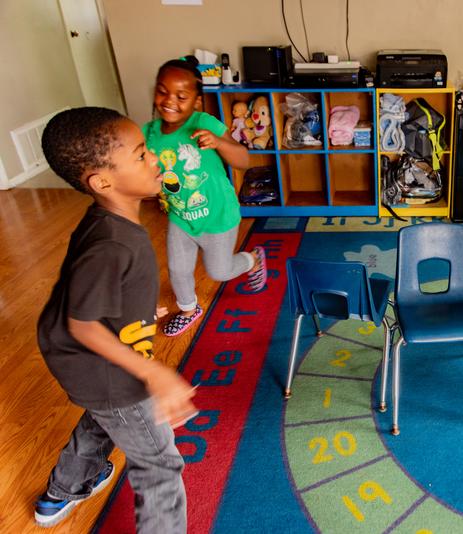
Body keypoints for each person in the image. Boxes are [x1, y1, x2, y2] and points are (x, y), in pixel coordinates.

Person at [35, 107, 197, 531]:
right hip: (102, 365)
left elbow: (101, 295)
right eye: (142, 155)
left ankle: (61, 494)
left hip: (93, 366)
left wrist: (142, 312)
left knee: (103, 419)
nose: (156, 159)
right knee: (160, 463)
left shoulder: (114, 225)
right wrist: (153, 373)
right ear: (102, 181)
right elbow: (83, 323)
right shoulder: (111, 243)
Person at [143, 55, 266, 336]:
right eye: (162, 91)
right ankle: (189, 308)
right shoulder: (148, 133)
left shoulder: (204, 122)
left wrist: (219, 142)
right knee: (177, 269)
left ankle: (252, 260)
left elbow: (244, 159)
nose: (169, 100)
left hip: (218, 216)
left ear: (197, 101)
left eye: (181, 95)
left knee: (219, 272)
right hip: (181, 216)